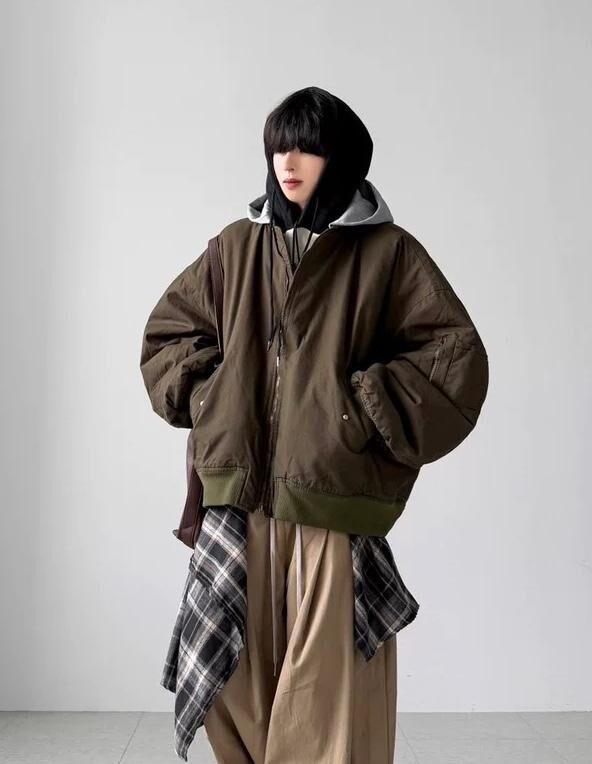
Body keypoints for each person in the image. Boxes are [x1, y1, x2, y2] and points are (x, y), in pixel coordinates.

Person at [140, 86, 489, 763]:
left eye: (306, 148)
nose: (287, 162)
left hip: (328, 506)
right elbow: (167, 338)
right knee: (233, 688)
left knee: (322, 699)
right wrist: (219, 398)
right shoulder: (235, 247)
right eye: (278, 147)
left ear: (342, 158)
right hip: (237, 507)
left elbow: (455, 360)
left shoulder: (387, 254)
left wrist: (356, 408)